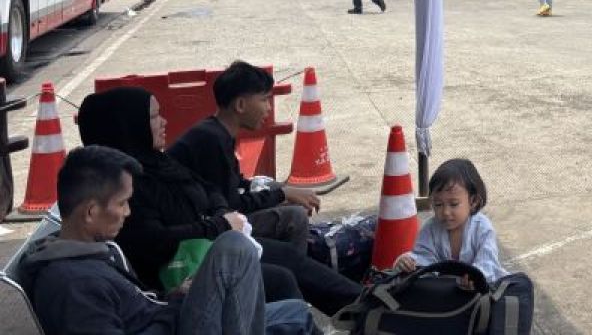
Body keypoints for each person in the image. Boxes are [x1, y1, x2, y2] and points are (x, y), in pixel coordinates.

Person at [77, 87, 361, 316]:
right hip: (178, 272)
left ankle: (366, 305)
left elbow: (210, 190)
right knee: (280, 277)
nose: (163, 122)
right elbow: (153, 241)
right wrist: (219, 225)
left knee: (287, 256)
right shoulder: (124, 184)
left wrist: (222, 216)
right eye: (153, 117)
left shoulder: (159, 163)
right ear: (130, 126)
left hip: (209, 246)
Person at [20, 145, 316, 335]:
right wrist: (177, 308)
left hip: (173, 316)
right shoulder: (71, 285)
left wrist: (177, 296)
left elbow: (138, 309)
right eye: (122, 203)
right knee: (233, 249)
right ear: (91, 211)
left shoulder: (87, 252)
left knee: (296, 312)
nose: (128, 212)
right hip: (175, 326)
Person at [168, 62, 319, 252]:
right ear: (240, 105)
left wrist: (282, 192)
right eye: (264, 100)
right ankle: (299, 271)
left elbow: (235, 184)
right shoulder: (212, 140)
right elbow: (231, 204)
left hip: (213, 213)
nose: (269, 108)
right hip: (203, 229)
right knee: (294, 217)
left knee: (277, 188)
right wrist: (283, 195)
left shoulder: (216, 132)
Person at [393, 159, 506, 286]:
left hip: (481, 296)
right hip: (445, 297)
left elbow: (488, 264)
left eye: (454, 204)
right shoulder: (430, 228)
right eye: (438, 204)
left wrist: (474, 278)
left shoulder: (482, 228)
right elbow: (423, 259)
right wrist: (408, 262)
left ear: (473, 201)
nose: (445, 212)